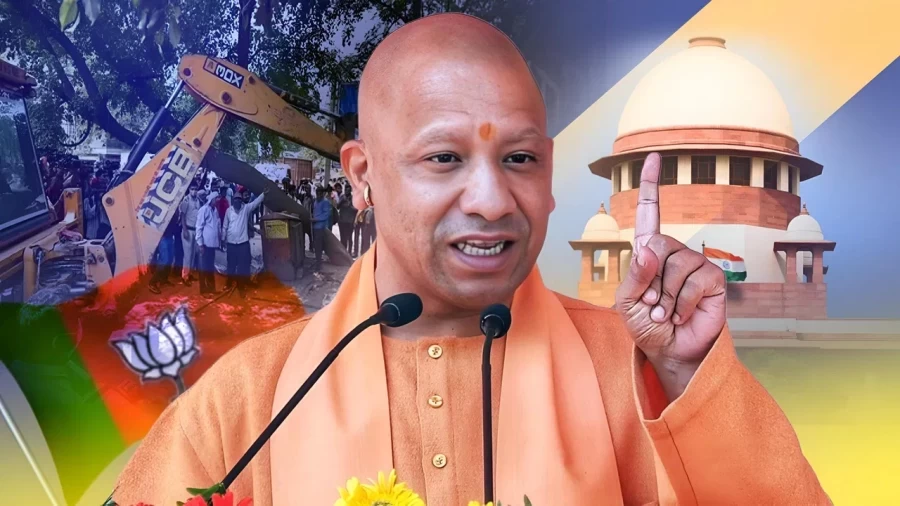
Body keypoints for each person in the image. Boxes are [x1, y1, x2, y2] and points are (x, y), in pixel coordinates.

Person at [111, 14, 828, 506]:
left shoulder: (635, 373)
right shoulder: (246, 401)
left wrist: (687, 380)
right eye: (444, 158)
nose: (490, 200)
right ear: (361, 176)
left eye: (519, 159)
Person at [222, 189, 267, 297]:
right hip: (231, 243)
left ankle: (241, 287)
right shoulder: (229, 211)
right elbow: (225, 226)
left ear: (241, 201)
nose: (237, 201)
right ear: (233, 201)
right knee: (231, 265)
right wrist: (223, 239)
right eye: (235, 199)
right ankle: (229, 283)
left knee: (242, 266)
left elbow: (256, 203)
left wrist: (263, 194)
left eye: (239, 199)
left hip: (243, 243)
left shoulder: (246, 209)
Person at [194, 191, 221, 297]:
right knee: (203, 267)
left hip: (212, 244)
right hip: (204, 244)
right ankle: (203, 290)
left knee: (210, 266)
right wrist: (200, 244)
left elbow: (217, 225)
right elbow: (199, 227)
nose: (218, 200)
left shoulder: (215, 210)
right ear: (212, 199)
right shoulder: (203, 210)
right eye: (216, 199)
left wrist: (220, 239)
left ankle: (211, 288)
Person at [148, 208, 180, 294]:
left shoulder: (176, 209)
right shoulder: (165, 208)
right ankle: (152, 283)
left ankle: (164, 279)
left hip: (169, 236)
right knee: (164, 260)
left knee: (170, 259)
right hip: (163, 237)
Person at [179, 181, 202, 286]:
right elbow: (182, 215)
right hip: (187, 230)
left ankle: (190, 273)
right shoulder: (186, 200)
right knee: (187, 255)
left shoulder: (198, 200)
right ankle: (185, 276)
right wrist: (184, 230)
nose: (194, 191)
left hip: (195, 230)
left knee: (193, 254)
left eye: (196, 189)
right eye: (192, 189)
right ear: (189, 190)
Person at [311, 185, 332, 270]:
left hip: (321, 227)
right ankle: (318, 260)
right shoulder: (315, 201)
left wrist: (316, 219)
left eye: (320, 193)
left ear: (323, 194)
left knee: (320, 245)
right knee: (317, 245)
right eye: (317, 193)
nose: (319, 195)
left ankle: (319, 263)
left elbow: (326, 214)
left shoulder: (325, 202)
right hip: (315, 226)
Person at [337, 185, 356, 255]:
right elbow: (337, 206)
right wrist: (342, 201)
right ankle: (343, 252)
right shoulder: (342, 197)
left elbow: (356, 209)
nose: (346, 191)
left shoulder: (353, 198)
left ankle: (349, 252)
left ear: (350, 190)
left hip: (350, 221)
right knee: (343, 237)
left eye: (348, 190)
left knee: (349, 237)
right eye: (345, 190)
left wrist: (350, 206)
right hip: (342, 221)